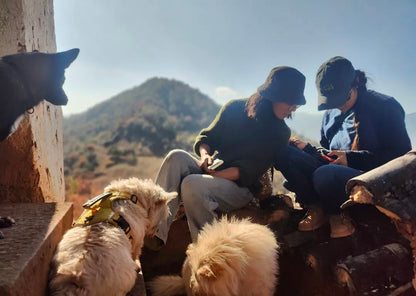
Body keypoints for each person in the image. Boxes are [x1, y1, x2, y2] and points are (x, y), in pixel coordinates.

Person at [146, 66, 306, 249]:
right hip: (214, 170)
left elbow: (247, 173)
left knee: (192, 184)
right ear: (274, 95)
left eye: (296, 105)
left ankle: (206, 249)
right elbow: (207, 138)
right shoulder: (235, 108)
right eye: (290, 103)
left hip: (240, 188)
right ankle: (155, 230)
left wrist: (213, 174)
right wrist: (205, 156)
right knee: (175, 157)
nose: (293, 109)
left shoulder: (280, 132)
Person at [274, 56, 411, 238]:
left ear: (355, 82)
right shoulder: (331, 115)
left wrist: (352, 159)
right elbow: (328, 154)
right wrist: (308, 150)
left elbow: (401, 160)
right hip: (333, 177)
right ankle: (317, 208)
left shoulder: (384, 106)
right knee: (283, 152)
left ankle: (338, 216)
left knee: (326, 174)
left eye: (341, 98)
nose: (338, 105)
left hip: (370, 182)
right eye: (332, 102)